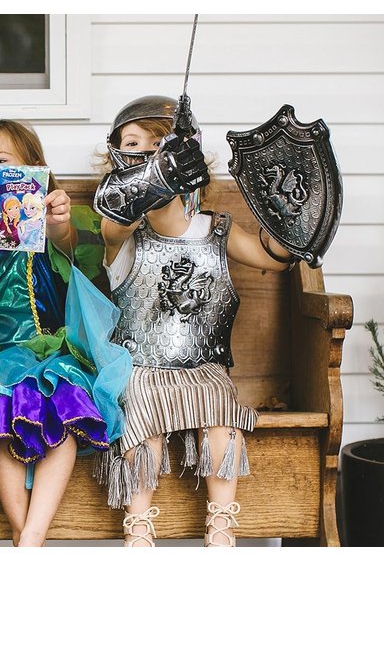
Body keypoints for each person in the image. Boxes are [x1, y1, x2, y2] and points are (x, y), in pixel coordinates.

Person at [93, 95, 296, 547]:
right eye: (134, 145)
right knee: (140, 419)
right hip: (141, 366)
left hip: (202, 364)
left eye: (160, 144)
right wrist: (157, 176)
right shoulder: (123, 233)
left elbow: (272, 258)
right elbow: (116, 221)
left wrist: (287, 216)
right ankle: (138, 526)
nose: (148, 153)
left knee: (221, 412)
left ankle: (221, 524)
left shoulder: (216, 229)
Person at [0, 119, 131, 547]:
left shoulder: (55, 220)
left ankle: (31, 535)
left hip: (52, 353)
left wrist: (58, 226)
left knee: (65, 411)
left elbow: (77, 254)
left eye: (1, 163)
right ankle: (24, 534)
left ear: (34, 168)